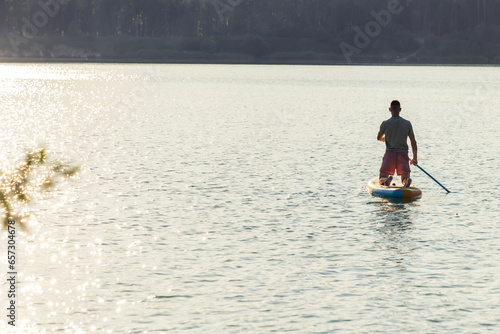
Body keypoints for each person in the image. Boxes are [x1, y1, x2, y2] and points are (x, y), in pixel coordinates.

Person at [377, 100, 417, 187]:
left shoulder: (385, 123)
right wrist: (414, 158)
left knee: (381, 177)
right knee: (404, 178)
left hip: (390, 154)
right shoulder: (407, 123)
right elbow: (413, 142)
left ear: (389, 109)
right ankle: (406, 181)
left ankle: (385, 180)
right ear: (400, 109)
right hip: (402, 154)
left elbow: (378, 137)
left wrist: (383, 139)